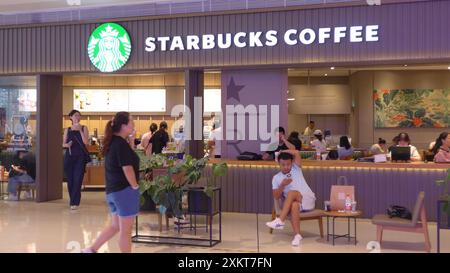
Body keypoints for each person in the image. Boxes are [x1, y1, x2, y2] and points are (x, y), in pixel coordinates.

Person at [83, 112, 139, 253]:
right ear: (124, 125)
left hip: (113, 191)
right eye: (131, 122)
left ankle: (91, 249)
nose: (134, 124)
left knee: (115, 226)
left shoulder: (115, 142)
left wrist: (131, 141)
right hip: (124, 191)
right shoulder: (120, 144)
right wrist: (135, 186)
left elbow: (128, 159)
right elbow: (127, 168)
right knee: (126, 231)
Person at [265, 150, 316, 246]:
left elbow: (296, 152)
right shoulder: (276, 178)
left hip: (307, 199)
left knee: (291, 193)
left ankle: (280, 220)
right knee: (294, 205)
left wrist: (282, 151)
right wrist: (282, 185)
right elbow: (276, 196)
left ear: (292, 163)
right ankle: (297, 236)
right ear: (278, 164)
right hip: (297, 203)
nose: (286, 167)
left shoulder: (296, 168)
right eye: (283, 165)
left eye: (288, 164)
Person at [63, 110, 89, 210]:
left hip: (80, 157)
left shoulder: (84, 128)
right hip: (69, 156)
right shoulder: (67, 129)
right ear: (70, 117)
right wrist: (67, 145)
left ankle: (74, 202)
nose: (78, 117)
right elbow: (63, 143)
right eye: (75, 115)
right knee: (70, 180)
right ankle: (72, 200)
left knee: (78, 179)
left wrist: (80, 131)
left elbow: (86, 142)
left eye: (79, 115)